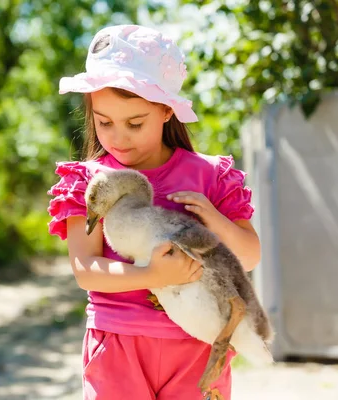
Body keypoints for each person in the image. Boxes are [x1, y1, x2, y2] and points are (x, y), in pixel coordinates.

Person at [47, 25, 261, 400]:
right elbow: (86, 270)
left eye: (134, 123)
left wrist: (212, 216)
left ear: (166, 110)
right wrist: (151, 274)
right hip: (118, 347)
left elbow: (248, 255)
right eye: (104, 122)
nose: (117, 138)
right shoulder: (89, 181)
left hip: (198, 344)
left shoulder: (210, 176)